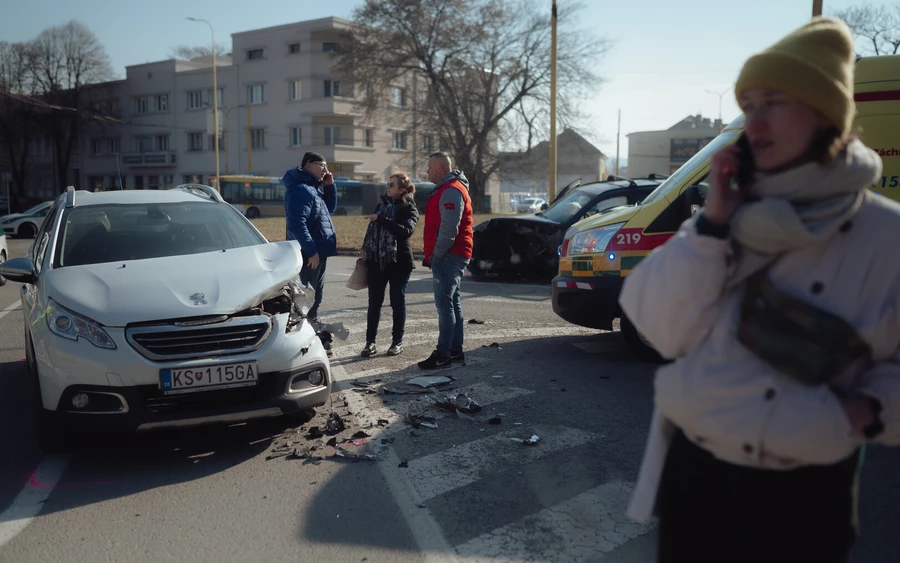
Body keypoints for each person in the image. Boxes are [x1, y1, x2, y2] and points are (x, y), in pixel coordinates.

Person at [619, 18, 900, 563]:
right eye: (749, 104)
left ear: (825, 114)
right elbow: (660, 327)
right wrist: (712, 226)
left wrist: (865, 411)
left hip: (808, 490)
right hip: (695, 477)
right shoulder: (728, 215)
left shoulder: (885, 235)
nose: (755, 121)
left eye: (775, 101)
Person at [417, 152, 474, 370]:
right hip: (452, 253)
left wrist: (437, 253)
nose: (427, 171)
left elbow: (450, 228)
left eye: (429, 167)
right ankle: (454, 351)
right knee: (452, 302)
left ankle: (443, 354)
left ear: (441, 168)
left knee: (444, 305)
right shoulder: (450, 188)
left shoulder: (451, 190)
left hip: (449, 255)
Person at [359, 172, 419, 357]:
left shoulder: (410, 208)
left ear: (402, 189)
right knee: (374, 303)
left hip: (399, 261)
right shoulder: (382, 205)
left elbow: (406, 231)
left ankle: (397, 342)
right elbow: (372, 233)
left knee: (397, 301)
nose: (388, 187)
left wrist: (381, 220)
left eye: (392, 185)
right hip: (377, 260)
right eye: (388, 184)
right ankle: (370, 343)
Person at [283, 152, 338, 322]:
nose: (325, 170)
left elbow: (328, 210)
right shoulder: (301, 190)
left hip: (318, 253)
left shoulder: (312, 189)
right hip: (309, 256)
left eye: (326, 166)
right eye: (321, 165)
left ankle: (312, 335)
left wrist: (329, 187)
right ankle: (303, 339)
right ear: (308, 165)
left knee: (314, 300)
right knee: (305, 302)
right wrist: (311, 251)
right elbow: (297, 225)